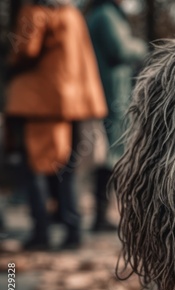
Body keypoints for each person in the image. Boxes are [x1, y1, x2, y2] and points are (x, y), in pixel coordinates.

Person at [4, 0, 107, 250]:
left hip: (43, 101)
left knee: (36, 168)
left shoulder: (36, 11)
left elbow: (26, 49)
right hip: (75, 101)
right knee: (65, 168)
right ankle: (73, 230)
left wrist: (9, 54)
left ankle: (42, 233)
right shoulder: (71, 13)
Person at [86, 0, 147, 232]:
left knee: (112, 154)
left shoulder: (105, 13)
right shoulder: (106, 15)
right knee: (111, 155)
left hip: (112, 92)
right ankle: (105, 215)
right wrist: (141, 47)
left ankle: (106, 213)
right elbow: (121, 49)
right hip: (110, 93)